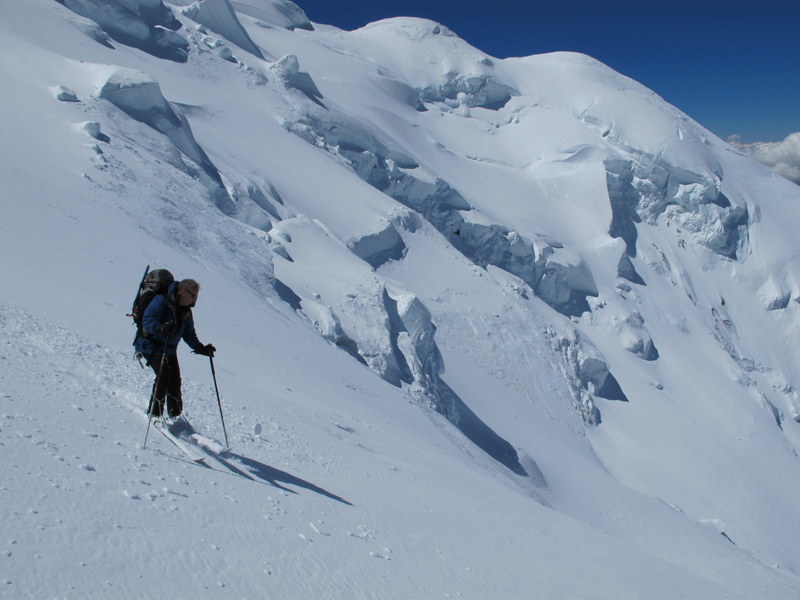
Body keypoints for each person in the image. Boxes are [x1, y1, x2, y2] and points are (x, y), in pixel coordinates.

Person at [135, 278, 215, 419]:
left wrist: (200, 348)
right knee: (164, 375)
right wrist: (161, 328)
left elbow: (188, 333)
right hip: (150, 345)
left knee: (175, 380)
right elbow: (147, 321)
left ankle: (175, 413)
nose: (194, 300)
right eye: (193, 295)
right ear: (182, 291)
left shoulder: (186, 311)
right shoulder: (161, 301)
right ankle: (154, 413)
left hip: (169, 348)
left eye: (196, 296)